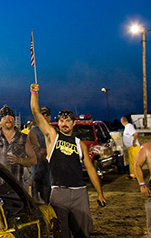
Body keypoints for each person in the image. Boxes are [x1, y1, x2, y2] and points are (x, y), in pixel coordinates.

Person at [30, 83, 106, 238]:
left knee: (83, 232)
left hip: (79, 193)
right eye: (62, 121)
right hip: (59, 192)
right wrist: (33, 93)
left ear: (73, 123)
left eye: (68, 121)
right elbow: (36, 114)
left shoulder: (80, 144)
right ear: (58, 123)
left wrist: (100, 193)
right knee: (60, 233)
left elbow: (90, 169)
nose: (64, 124)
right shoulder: (52, 136)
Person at [0, 105, 37, 186]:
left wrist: (20, 160)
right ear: (0, 121)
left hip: (17, 187)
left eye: (11, 117)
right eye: (4, 117)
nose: (8, 119)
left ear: (14, 120)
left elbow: (34, 160)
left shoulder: (23, 138)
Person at [28, 106, 52, 203]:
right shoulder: (33, 131)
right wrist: (50, 151)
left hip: (52, 175)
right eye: (43, 115)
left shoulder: (53, 130)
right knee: (39, 203)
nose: (45, 117)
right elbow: (39, 153)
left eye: (47, 115)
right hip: (39, 175)